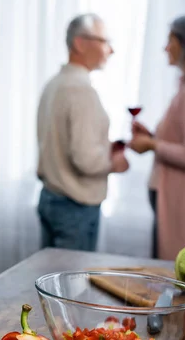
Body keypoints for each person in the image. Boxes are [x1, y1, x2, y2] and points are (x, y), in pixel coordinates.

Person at [36, 13, 129, 252]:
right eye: (104, 41)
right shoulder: (80, 90)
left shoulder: (54, 84)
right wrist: (115, 162)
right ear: (79, 43)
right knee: (71, 288)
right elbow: (85, 159)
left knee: (50, 281)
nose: (111, 50)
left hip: (51, 198)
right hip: (74, 207)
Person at [130, 14, 185, 260]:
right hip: (172, 199)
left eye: (170, 40)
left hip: (184, 202)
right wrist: (153, 136)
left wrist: (153, 144)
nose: (166, 47)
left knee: (180, 282)